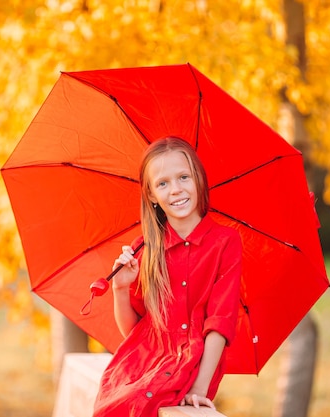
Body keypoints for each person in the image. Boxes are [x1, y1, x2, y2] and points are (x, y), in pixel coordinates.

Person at [93, 137, 243, 416]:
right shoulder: (146, 246)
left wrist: (200, 388)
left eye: (183, 177)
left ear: (198, 179)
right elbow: (133, 332)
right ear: (151, 195)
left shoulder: (225, 242)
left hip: (191, 366)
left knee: (138, 404)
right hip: (140, 363)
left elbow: (220, 321)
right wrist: (120, 289)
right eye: (162, 183)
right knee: (115, 405)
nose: (175, 190)